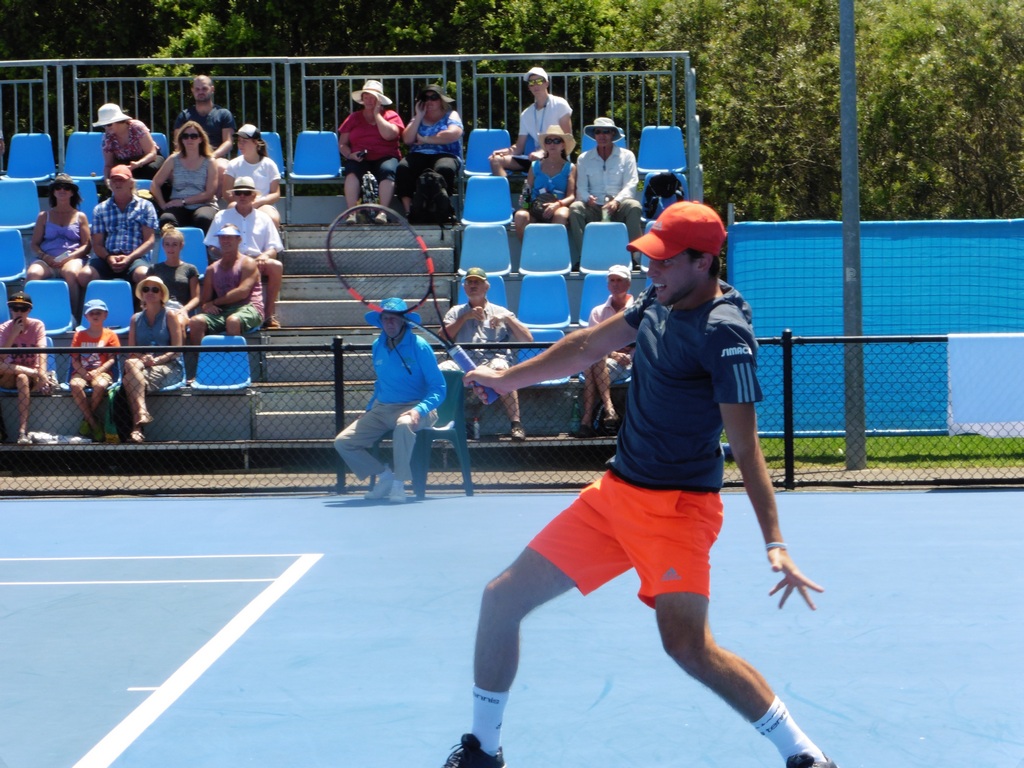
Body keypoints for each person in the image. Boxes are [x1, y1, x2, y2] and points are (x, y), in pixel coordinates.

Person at [445, 202, 840, 768]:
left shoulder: (724, 334)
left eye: (663, 261)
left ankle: (805, 755)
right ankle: (483, 750)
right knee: (500, 599)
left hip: (679, 510)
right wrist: (509, 376)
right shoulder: (661, 298)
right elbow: (586, 346)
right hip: (615, 497)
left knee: (687, 647)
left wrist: (774, 541)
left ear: (703, 262)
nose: (648, 271)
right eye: (648, 259)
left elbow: (747, 447)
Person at [334, 298, 445, 504]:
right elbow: (380, 383)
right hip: (382, 408)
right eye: (386, 318)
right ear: (381, 321)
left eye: (394, 318)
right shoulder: (377, 346)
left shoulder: (420, 346)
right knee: (343, 442)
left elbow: (439, 388)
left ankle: (399, 484)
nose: (390, 322)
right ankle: (385, 477)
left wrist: (418, 410)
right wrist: (369, 409)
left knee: (404, 426)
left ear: (404, 321)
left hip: (416, 408)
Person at [441, 268, 532, 442]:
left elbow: (528, 339)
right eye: (469, 282)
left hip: (492, 361)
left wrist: (508, 320)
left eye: (477, 282)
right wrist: (465, 318)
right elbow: (443, 337)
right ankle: (442, 422)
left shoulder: (501, 311)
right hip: (463, 362)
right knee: (442, 369)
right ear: (464, 287)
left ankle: (516, 424)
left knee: (502, 368)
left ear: (486, 286)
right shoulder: (455, 312)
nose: (473, 285)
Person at [204, 176, 284, 329]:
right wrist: (228, 256)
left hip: (256, 260)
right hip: (229, 260)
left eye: (247, 193)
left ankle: (268, 315)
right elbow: (211, 246)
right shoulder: (221, 216)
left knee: (276, 265)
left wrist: (264, 256)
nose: (242, 196)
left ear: (254, 196)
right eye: (239, 192)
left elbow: (274, 247)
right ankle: (225, 313)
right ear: (233, 195)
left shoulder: (264, 218)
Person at [568, 116, 643, 269]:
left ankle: (634, 257)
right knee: (575, 208)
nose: (602, 135)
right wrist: (588, 198)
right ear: (594, 135)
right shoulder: (584, 158)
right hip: (594, 207)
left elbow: (631, 183)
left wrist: (617, 201)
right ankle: (585, 256)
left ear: (612, 135)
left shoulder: (627, 156)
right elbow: (581, 187)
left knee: (634, 206)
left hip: (618, 206)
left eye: (606, 132)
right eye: (598, 132)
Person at [122, 275, 184, 443]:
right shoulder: (135, 319)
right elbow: (132, 352)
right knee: (130, 363)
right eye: (146, 289)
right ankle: (142, 413)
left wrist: (156, 360)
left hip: (168, 365)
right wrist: (144, 358)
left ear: (161, 294)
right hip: (141, 364)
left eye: (154, 289)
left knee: (129, 380)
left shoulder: (170, 315)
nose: (150, 292)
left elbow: (177, 349)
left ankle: (137, 428)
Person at [576, 263, 634, 438]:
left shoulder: (637, 309)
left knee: (592, 362)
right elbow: (593, 343)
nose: (615, 284)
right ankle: (609, 409)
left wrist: (619, 354)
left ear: (628, 284)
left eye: (619, 280)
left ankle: (586, 420)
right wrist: (613, 353)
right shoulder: (598, 311)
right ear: (608, 285)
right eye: (612, 280)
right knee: (595, 359)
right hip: (604, 360)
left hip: (629, 362)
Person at [80, 164, 159, 290]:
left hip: (135, 258)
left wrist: (129, 258)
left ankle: (142, 309)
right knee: (84, 276)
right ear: (109, 183)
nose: (117, 183)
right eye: (114, 180)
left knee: (144, 276)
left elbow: (149, 241)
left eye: (121, 180)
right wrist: (108, 257)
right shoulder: (100, 209)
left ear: (131, 183)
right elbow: (97, 244)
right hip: (107, 258)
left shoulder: (145, 206)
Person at [337, 80, 404, 222]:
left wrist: (377, 115)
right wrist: (350, 155)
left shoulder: (391, 115)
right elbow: (342, 144)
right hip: (359, 157)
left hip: (386, 156)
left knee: (388, 170)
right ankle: (351, 213)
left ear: (380, 100)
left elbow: (389, 135)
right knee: (352, 170)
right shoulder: (353, 118)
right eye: (366, 96)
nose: (368, 100)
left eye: (373, 97)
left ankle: (383, 212)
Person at [489, 66, 573, 177]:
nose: (535, 85)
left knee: (539, 160)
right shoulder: (526, 114)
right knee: (494, 160)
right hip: (535, 159)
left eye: (539, 81)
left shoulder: (560, 104)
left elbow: (568, 139)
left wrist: (544, 152)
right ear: (529, 87)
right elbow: (519, 147)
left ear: (546, 84)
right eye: (531, 83)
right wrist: (507, 152)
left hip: (557, 156)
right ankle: (503, 194)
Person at [395, 84, 464, 217]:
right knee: (403, 168)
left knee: (444, 168)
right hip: (419, 154)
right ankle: (410, 211)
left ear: (441, 100)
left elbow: (454, 134)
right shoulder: (418, 117)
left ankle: (442, 207)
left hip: (446, 154)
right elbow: (408, 139)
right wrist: (419, 116)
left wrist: (426, 139)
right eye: (425, 98)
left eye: (434, 97)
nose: (429, 101)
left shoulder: (451, 115)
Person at [188, 223, 263, 343]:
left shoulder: (248, 263)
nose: (225, 240)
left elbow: (242, 292)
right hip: (222, 312)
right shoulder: (212, 269)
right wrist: (208, 305)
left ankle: (234, 360)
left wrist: (215, 302)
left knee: (232, 321)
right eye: (222, 237)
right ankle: (201, 361)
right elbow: (206, 301)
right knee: (196, 322)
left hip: (248, 308)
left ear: (239, 239)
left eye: (230, 237)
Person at [27, 173, 92, 312]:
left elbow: (87, 245)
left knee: (71, 273)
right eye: (58, 187)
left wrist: (68, 257)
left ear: (72, 192)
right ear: (53, 191)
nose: (62, 190)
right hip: (46, 260)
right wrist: (46, 257)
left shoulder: (81, 217)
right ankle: (29, 316)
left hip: (72, 258)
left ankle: (74, 315)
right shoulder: (44, 216)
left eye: (66, 187)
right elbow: (34, 244)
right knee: (33, 274)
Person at [0, 291, 52, 445]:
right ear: (10, 310)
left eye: (23, 309)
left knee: (22, 377)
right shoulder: (4, 328)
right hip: (8, 374)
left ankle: (22, 431)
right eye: (15, 308)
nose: (19, 312)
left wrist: (41, 373)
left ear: (29, 310)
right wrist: (14, 334)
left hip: (29, 376)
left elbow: (42, 351)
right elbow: (1, 358)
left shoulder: (37, 325)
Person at [150, 121, 219, 234]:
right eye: (185, 136)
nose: (189, 139)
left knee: (203, 219)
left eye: (193, 136)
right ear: (181, 139)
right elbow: (155, 184)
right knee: (167, 219)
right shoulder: (173, 159)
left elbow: (209, 193)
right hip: (178, 206)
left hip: (204, 205)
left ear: (200, 139)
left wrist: (183, 201)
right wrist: (163, 205)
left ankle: (204, 251)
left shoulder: (210, 161)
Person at [173, 74, 236, 196]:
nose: (200, 92)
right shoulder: (184, 116)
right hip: (189, 157)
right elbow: (177, 142)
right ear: (192, 91)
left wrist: (210, 157)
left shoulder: (223, 114)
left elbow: (228, 141)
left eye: (204, 88)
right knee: (170, 170)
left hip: (215, 157)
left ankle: (212, 206)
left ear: (212, 89)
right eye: (197, 89)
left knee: (223, 168)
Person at [512, 124, 577, 241]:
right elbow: (528, 188)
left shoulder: (570, 167)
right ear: (545, 145)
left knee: (561, 215)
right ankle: (528, 253)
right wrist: (525, 199)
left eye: (556, 140)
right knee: (520, 216)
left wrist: (557, 205)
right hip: (535, 206)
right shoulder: (535, 165)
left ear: (563, 145)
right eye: (548, 141)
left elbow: (571, 196)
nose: (552, 144)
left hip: (558, 206)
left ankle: (552, 253)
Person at [69, 298, 120, 443]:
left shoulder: (110, 335)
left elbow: (111, 359)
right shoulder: (79, 335)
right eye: (92, 313)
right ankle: (93, 422)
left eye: (99, 312)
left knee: (100, 385)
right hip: (81, 371)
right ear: (86, 317)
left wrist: (98, 371)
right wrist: (84, 373)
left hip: (102, 371)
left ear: (105, 315)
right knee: (75, 385)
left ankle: (87, 420)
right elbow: (75, 360)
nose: (95, 315)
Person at [224, 124, 282, 227]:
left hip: (263, 205)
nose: (241, 144)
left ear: (256, 143)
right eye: (239, 141)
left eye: (244, 141)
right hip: (239, 203)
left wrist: (259, 202)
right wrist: (243, 202)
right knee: (231, 211)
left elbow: (275, 193)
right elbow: (227, 193)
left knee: (272, 218)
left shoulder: (269, 164)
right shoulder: (233, 164)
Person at [94, 103, 164, 181]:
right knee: (118, 176)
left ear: (119, 120)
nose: (106, 128)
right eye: (103, 125)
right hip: (126, 164)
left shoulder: (137, 127)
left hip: (149, 160)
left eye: (109, 124)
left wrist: (137, 164)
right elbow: (108, 165)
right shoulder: (107, 138)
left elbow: (152, 153)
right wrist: (107, 179)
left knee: (150, 169)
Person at [147, 224, 201, 322]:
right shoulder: (154, 269)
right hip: (159, 309)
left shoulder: (190, 269)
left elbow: (196, 298)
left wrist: (185, 309)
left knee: (177, 323)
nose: (170, 248)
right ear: (163, 246)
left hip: (180, 310)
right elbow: (146, 294)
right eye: (167, 244)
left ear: (181, 246)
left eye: (174, 244)